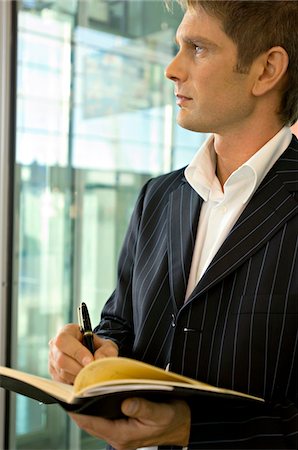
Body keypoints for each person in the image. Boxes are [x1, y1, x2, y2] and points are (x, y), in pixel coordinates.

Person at [48, 1, 298, 449]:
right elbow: (119, 323)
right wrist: (94, 351)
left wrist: (191, 431)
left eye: (197, 48)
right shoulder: (157, 197)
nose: (171, 68)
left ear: (267, 70)